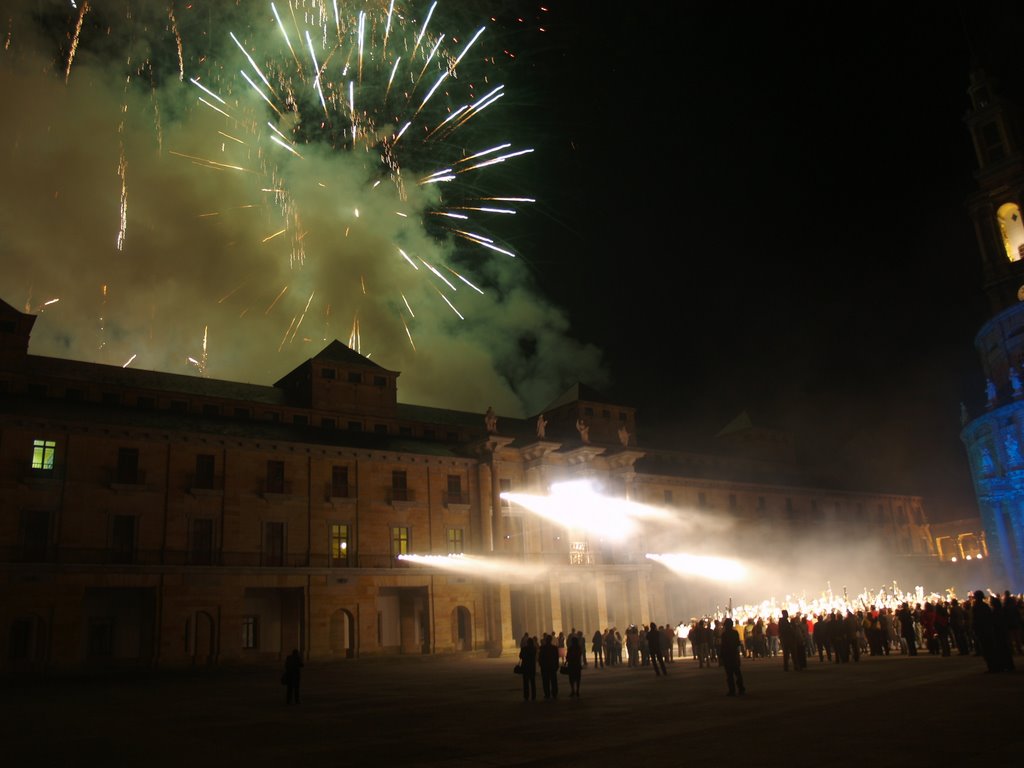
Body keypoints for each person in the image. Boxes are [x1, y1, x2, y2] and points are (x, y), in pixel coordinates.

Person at [719, 618, 746, 696]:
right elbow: (737, 643)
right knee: (737, 673)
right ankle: (741, 689)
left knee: (729, 675)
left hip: (728, 656)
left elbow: (723, 646)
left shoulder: (724, 634)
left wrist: (721, 655)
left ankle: (732, 690)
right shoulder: (735, 633)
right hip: (734, 655)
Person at [537, 633, 560, 699]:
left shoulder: (543, 648)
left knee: (545, 681)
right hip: (552, 666)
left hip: (545, 667)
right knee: (553, 681)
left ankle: (547, 694)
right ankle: (554, 693)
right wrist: (556, 665)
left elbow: (540, 658)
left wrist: (541, 665)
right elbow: (556, 658)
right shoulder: (554, 648)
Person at [519, 636, 537, 700]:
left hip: (525, 667)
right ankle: (533, 696)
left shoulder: (524, 649)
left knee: (526, 683)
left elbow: (520, 656)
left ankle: (526, 696)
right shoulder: (534, 649)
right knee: (533, 682)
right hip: (532, 667)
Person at [565, 632, 583, 697]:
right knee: (578, 678)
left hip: (571, 665)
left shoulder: (570, 648)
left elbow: (567, 656)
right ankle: (577, 691)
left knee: (571, 678)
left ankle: (573, 690)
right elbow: (580, 655)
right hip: (577, 664)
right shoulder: (578, 648)